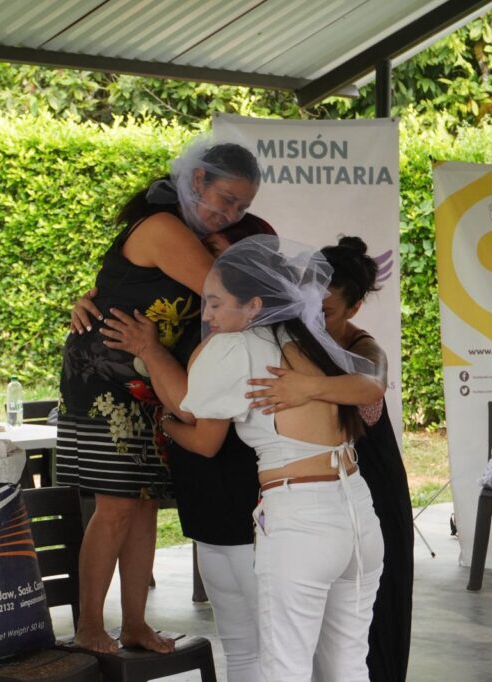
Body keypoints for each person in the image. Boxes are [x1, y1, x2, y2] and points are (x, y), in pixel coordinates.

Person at [57, 139, 260, 654]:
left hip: (149, 381)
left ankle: (134, 625)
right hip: (104, 378)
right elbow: (227, 293)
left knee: (143, 506)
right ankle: (88, 627)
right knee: (117, 506)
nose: (230, 214)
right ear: (197, 182)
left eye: (242, 207)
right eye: (226, 199)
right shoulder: (165, 227)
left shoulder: (193, 231)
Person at [162, 235, 385, 681]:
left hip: (300, 518)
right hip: (358, 513)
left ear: (253, 305)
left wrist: (163, 412)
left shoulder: (233, 347)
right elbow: (371, 383)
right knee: (348, 665)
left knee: (284, 669)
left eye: (215, 304)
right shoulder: (316, 341)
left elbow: (192, 409)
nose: (206, 316)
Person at [84, 212, 275, 682]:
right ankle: (112, 622)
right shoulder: (205, 315)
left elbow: (201, 425)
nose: (198, 263)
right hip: (215, 511)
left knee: (270, 645)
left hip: (241, 507)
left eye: (213, 253)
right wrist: (92, 301)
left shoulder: (234, 337)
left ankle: (110, 622)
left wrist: (163, 408)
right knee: (245, 645)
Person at [246, 236, 413, 682]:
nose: (312, 317)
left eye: (327, 311)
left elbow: (370, 386)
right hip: (324, 498)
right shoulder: (291, 338)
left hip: (370, 490)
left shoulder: (363, 345)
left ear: (354, 308)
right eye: (306, 304)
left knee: (361, 644)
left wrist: (307, 388)